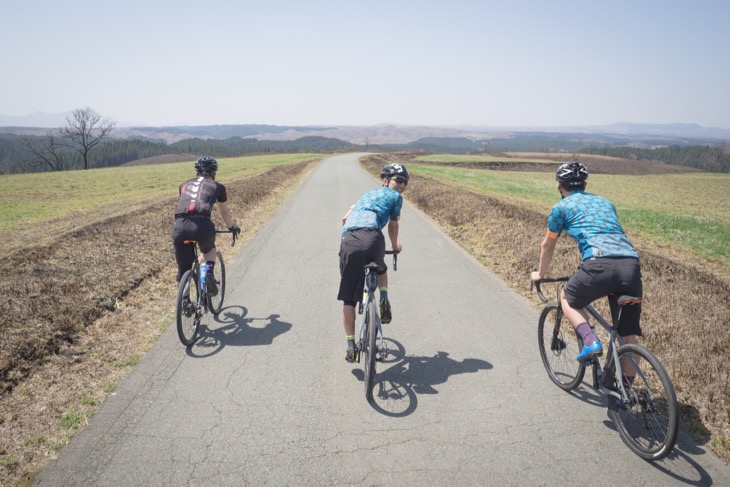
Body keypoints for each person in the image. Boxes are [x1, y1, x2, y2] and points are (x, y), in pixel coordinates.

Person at [530, 161, 643, 371]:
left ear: (559, 186)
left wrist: (540, 273)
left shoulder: (560, 208)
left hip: (598, 264)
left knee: (567, 297)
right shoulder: (607, 203)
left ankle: (590, 341)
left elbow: (548, 245)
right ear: (585, 184)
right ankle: (627, 398)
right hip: (631, 266)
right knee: (628, 337)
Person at [338, 163, 409, 362]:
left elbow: (345, 219)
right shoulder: (396, 197)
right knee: (380, 265)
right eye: (399, 181)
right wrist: (395, 246)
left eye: (405, 182)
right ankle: (384, 297)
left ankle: (351, 346)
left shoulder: (365, 196)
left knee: (349, 299)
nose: (402, 185)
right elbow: (393, 225)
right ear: (385, 181)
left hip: (349, 240)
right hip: (372, 236)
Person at [172, 156, 240, 301]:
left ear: (196, 172)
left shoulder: (183, 185)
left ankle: (185, 303)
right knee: (209, 250)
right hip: (202, 226)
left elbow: (188, 203)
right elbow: (224, 212)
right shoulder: (218, 187)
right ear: (214, 173)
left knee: (183, 269)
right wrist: (231, 226)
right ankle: (208, 272)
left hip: (179, 226)